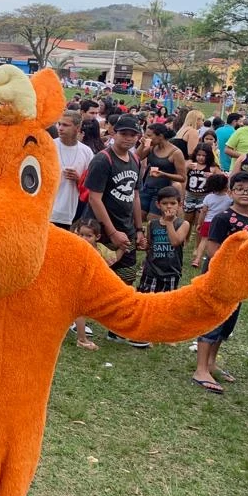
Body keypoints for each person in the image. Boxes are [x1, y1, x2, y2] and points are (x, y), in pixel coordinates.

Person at [190, 172, 248, 394]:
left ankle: (212, 362)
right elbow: (213, 250)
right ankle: (200, 369)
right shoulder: (223, 218)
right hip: (220, 278)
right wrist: (234, 265)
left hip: (240, 281)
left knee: (228, 322)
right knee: (212, 321)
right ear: (231, 192)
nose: (245, 193)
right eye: (239, 188)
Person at [83, 113, 147, 347]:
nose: (128, 139)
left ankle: (118, 326)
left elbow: (135, 195)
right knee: (92, 278)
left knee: (126, 280)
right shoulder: (103, 160)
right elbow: (95, 199)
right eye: (124, 134)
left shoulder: (135, 160)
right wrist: (111, 233)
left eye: (133, 135)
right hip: (100, 229)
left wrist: (139, 229)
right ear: (113, 133)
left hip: (127, 227)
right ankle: (78, 320)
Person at [69, 217, 119, 351]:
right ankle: (82, 339)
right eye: (81, 234)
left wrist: (124, 249)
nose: (84, 238)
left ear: (97, 237)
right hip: (76, 286)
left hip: (91, 286)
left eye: (88, 236)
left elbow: (111, 260)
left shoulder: (99, 250)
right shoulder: (75, 247)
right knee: (79, 311)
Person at [136, 186, 188, 297]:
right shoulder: (152, 224)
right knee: (147, 300)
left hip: (171, 272)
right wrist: (144, 245)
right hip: (151, 271)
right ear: (158, 205)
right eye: (165, 203)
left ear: (179, 205)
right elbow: (149, 246)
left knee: (165, 304)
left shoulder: (183, 224)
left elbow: (175, 242)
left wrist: (169, 222)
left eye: (173, 203)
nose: (169, 206)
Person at [50, 110, 93, 229]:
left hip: (70, 212)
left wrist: (78, 179)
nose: (60, 128)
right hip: (48, 210)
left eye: (65, 125)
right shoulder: (49, 146)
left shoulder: (86, 152)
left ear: (77, 128)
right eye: (59, 124)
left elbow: (90, 184)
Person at [136, 123, 186, 219]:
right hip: (147, 188)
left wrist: (163, 174)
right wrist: (142, 145)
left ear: (160, 136)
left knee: (153, 219)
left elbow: (182, 177)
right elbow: (136, 158)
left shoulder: (176, 153)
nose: (146, 137)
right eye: (146, 135)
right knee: (138, 217)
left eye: (149, 135)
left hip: (163, 192)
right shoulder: (152, 147)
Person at [192, 173, 231, 268]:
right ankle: (217, 259)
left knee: (204, 241)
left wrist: (199, 223)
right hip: (222, 223)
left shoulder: (208, 197)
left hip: (208, 222)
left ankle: (197, 259)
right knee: (220, 242)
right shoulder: (229, 198)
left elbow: (203, 212)